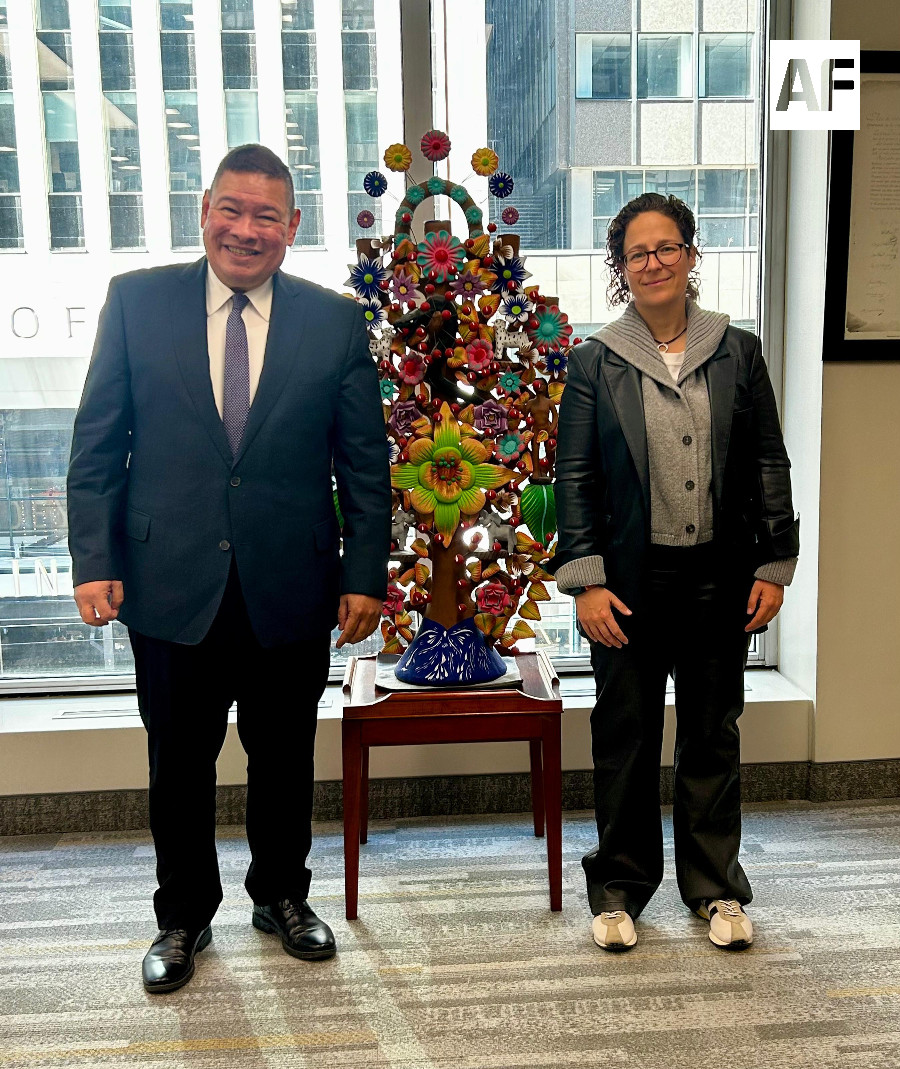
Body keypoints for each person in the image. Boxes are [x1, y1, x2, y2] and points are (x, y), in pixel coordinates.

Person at [67, 144, 391, 992]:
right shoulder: (136, 302)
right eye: (232, 210)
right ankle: (182, 915)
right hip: (169, 580)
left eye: (266, 216)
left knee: (284, 756)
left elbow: (364, 465)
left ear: (293, 226)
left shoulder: (334, 322)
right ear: (205, 209)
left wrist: (365, 574)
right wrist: (94, 559)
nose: (246, 231)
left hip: (292, 582)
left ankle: (281, 893)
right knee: (179, 760)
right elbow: (97, 443)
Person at [549, 193, 798, 952]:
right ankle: (619, 890)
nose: (653, 263)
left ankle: (716, 888)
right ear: (620, 268)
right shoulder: (594, 361)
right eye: (637, 253)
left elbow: (768, 461)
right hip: (627, 585)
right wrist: (586, 579)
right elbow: (575, 477)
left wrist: (774, 562)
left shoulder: (737, 351)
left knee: (712, 735)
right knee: (624, 736)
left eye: (666, 248)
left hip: (720, 580)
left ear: (691, 254)